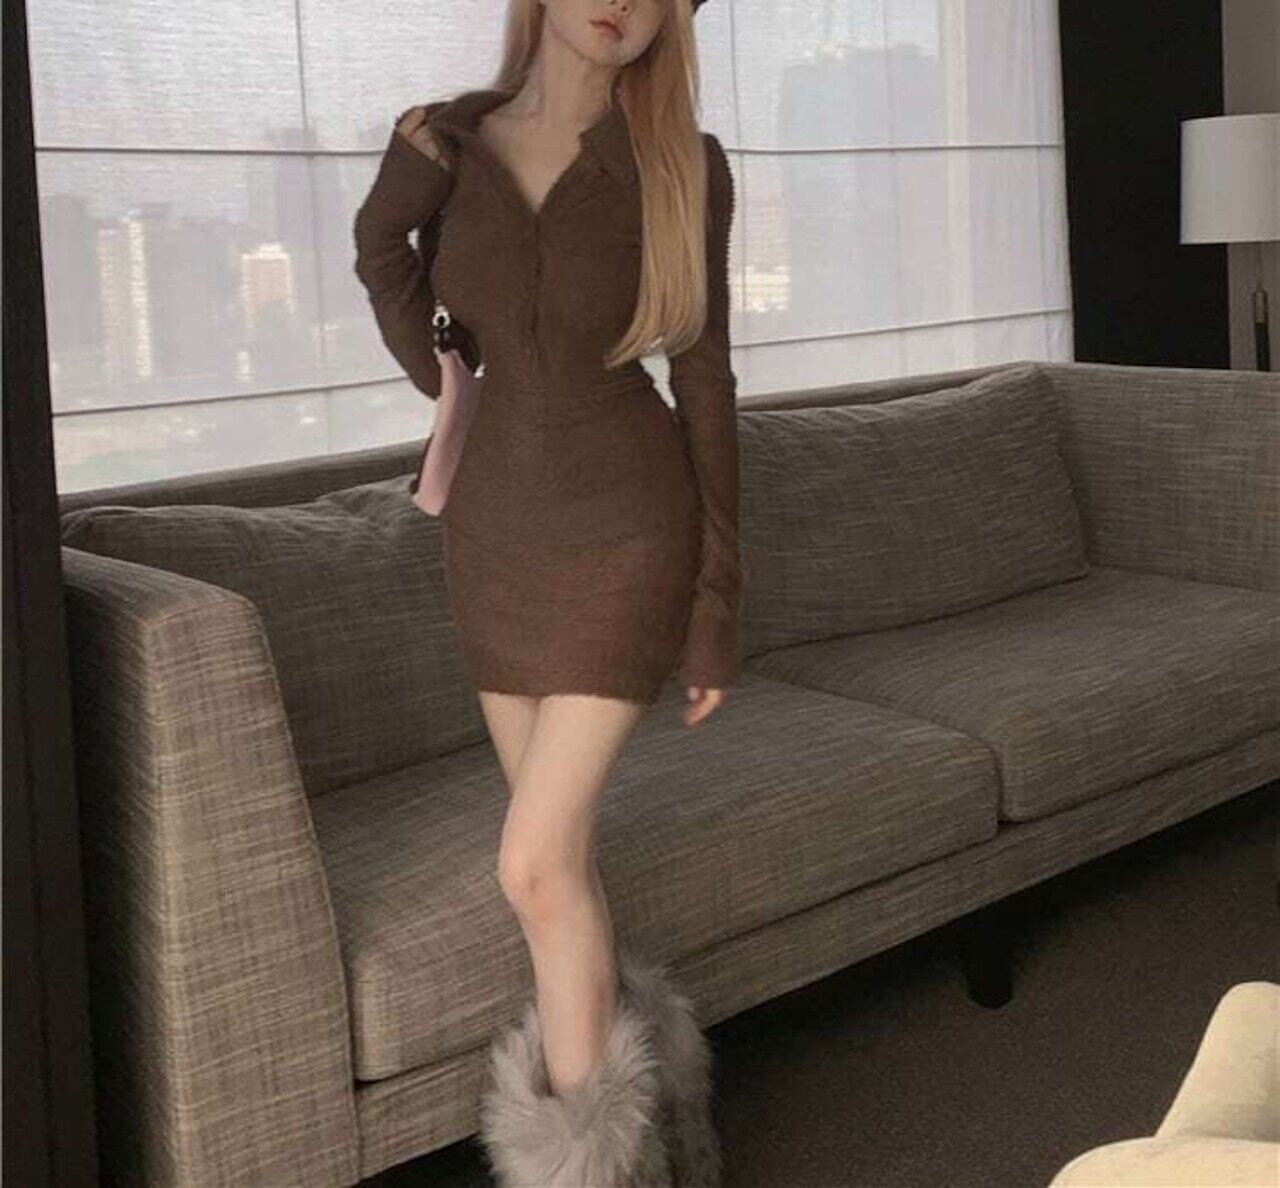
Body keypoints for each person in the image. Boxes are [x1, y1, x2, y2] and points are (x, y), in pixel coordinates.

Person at [353, 1, 731, 1181]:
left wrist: (716, 599)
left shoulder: (680, 163)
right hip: (495, 535)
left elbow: (705, 378)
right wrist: (400, 194)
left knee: (527, 863)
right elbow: (428, 350)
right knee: (558, 868)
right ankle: (659, 1132)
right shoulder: (450, 148)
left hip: (629, 530)